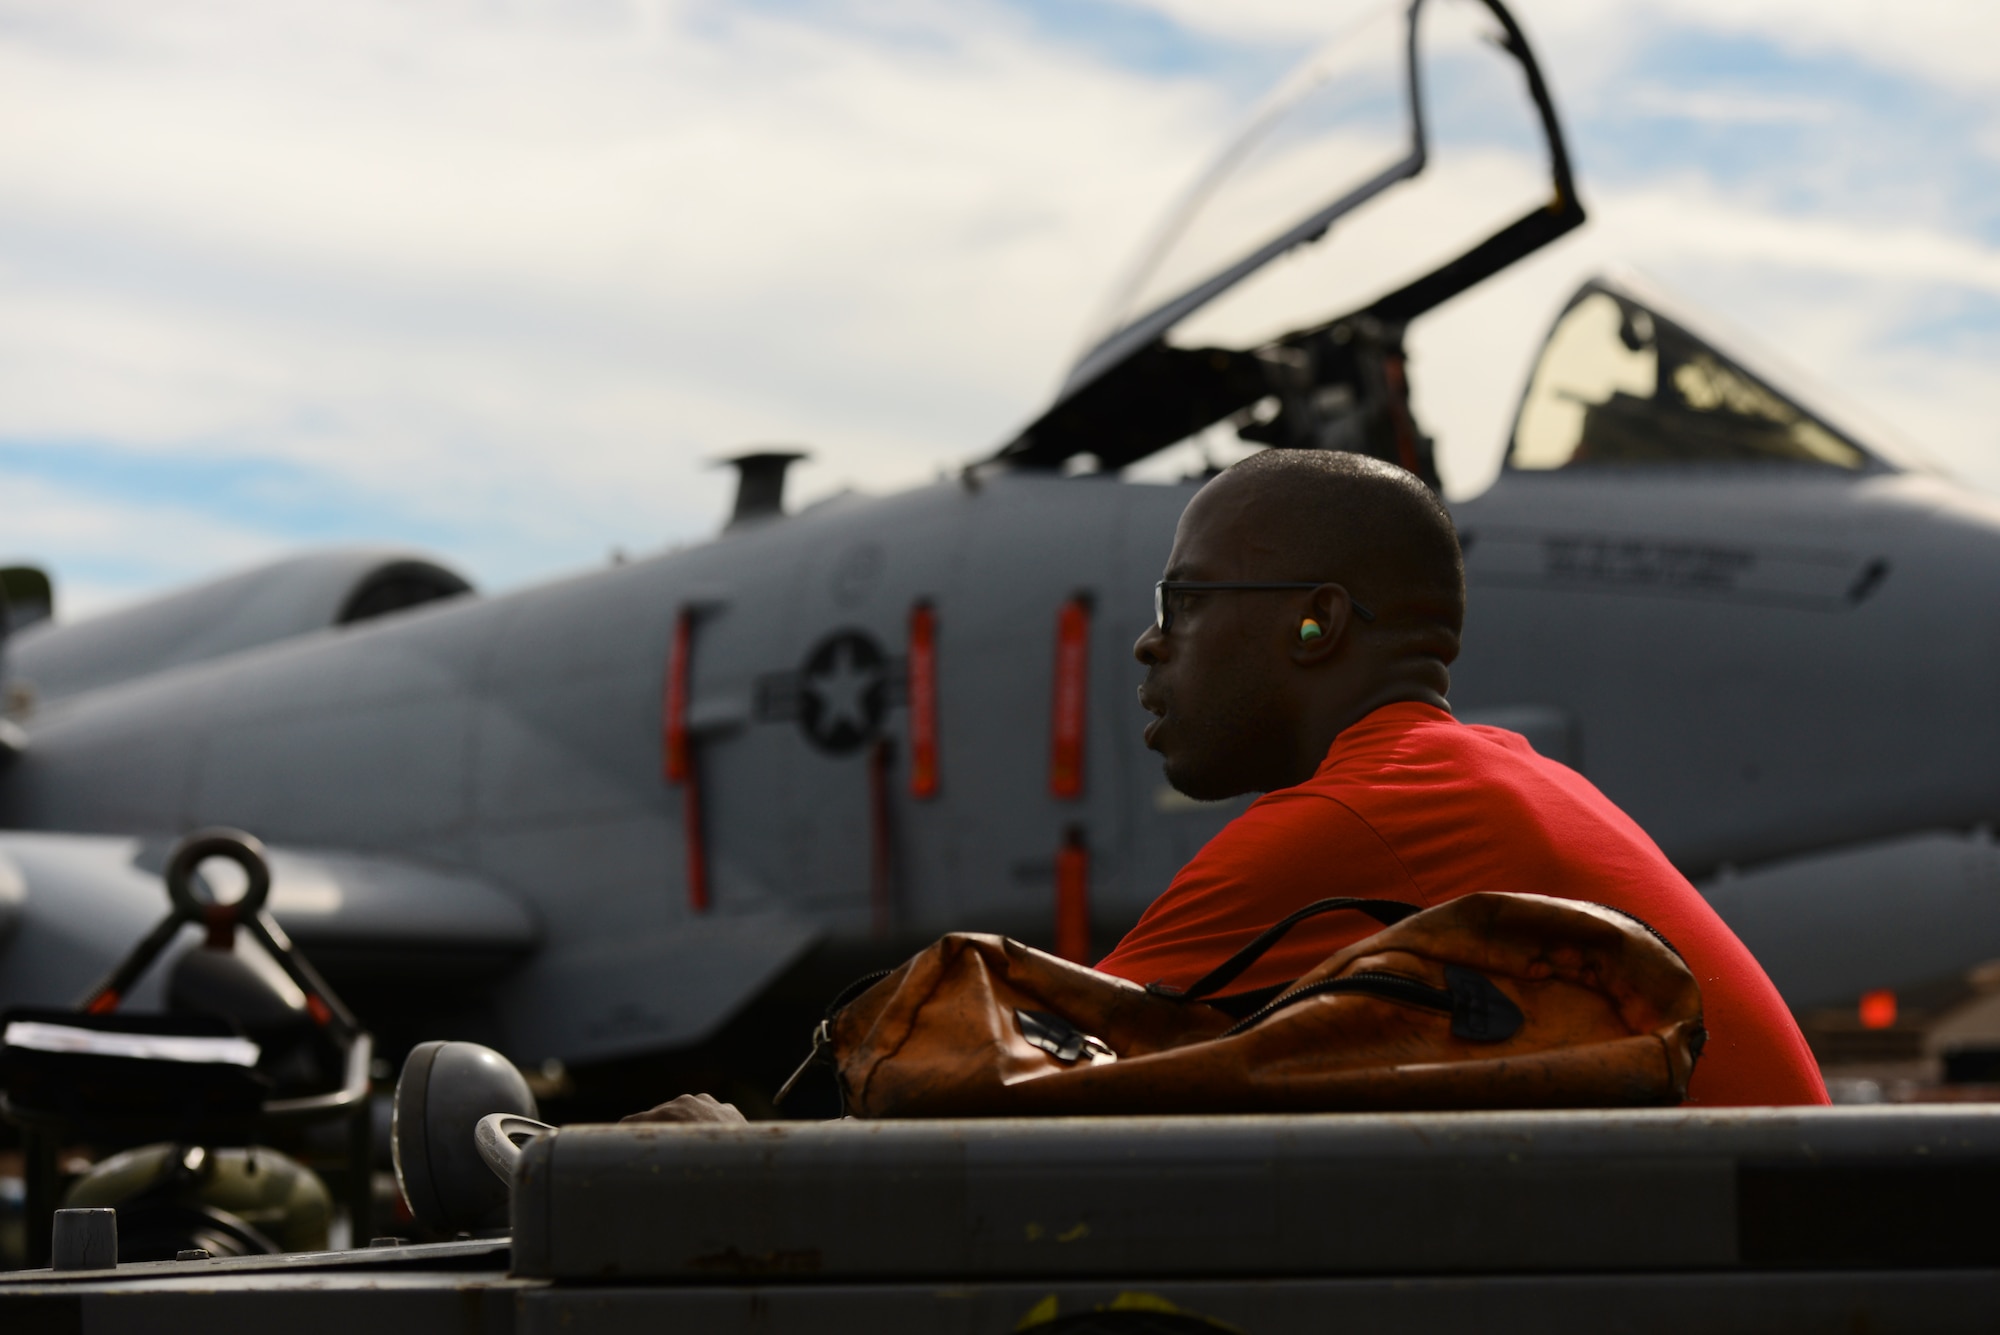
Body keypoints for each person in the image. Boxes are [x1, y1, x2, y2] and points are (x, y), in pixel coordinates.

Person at [1095, 447, 1826, 1106]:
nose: (1149, 643)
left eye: (1184, 602)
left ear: (1315, 622)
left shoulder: (1367, 815)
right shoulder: (1514, 782)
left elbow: (1048, 1052)